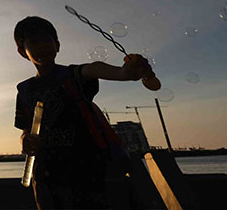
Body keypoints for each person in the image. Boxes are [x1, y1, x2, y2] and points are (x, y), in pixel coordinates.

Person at [13, 16, 154, 209]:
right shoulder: (25, 90)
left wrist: (128, 71)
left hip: (90, 171)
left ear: (58, 45)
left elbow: (99, 69)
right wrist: (25, 140)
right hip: (47, 175)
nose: (42, 45)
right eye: (34, 41)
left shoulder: (74, 75)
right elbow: (25, 129)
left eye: (47, 39)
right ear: (22, 51)